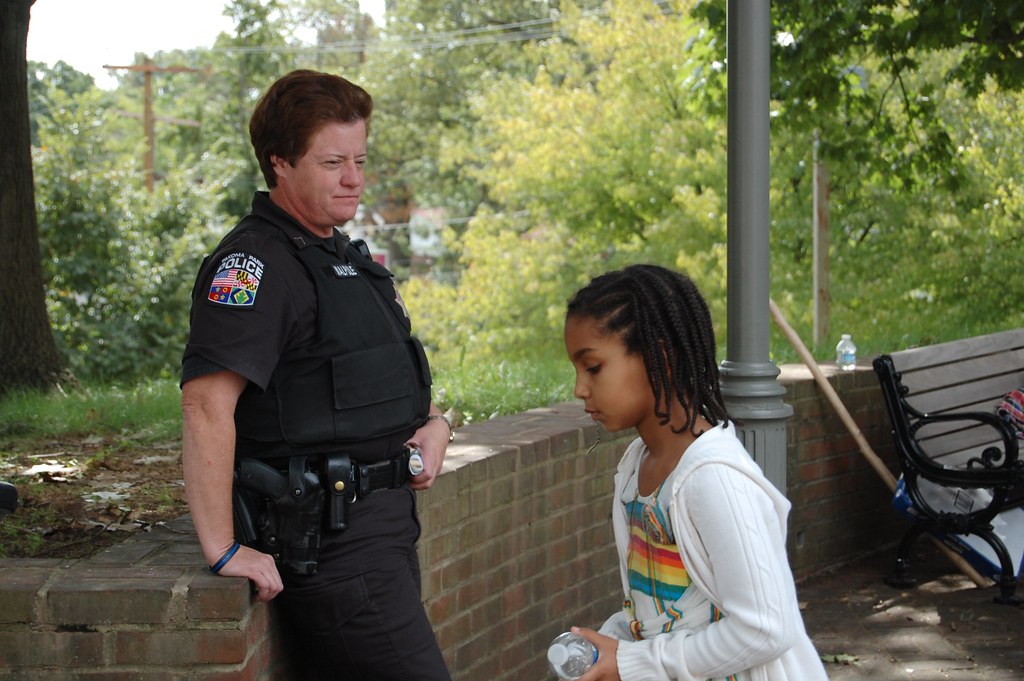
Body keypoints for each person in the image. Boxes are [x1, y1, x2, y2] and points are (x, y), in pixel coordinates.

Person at [180, 69, 453, 681]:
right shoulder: (254, 265)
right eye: (333, 162)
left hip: (383, 530)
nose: (354, 178)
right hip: (334, 545)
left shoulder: (340, 258)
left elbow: (381, 383)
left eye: (359, 158)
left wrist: (435, 426)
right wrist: (222, 548)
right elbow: (204, 406)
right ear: (280, 162)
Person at [563, 264, 828, 681]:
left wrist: (633, 662)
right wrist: (612, 644)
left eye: (593, 367)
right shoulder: (637, 467)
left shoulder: (712, 479)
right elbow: (665, 611)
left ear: (660, 357)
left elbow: (764, 629)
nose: (579, 388)